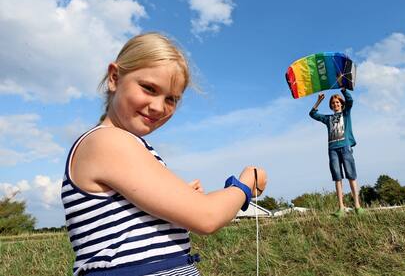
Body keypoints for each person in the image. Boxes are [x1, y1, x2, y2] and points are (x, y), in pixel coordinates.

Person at [61, 32, 267, 276]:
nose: (159, 107)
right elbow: (207, 217)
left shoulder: (125, 145)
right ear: (114, 78)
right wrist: (244, 185)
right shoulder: (107, 141)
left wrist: (179, 206)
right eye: (149, 88)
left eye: (171, 99)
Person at [309, 88, 363, 217]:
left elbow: (350, 101)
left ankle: (357, 206)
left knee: (351, 176)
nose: (335, 104)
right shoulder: (328, 119)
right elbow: (313, 114)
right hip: (332, 149)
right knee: (337, 178)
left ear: (341, 104)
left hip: (345, 147)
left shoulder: (346, 114)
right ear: (331, 106)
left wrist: (344, 90)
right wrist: (318, 101)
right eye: (333, 103)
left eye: (337, 102)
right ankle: (341, 208)